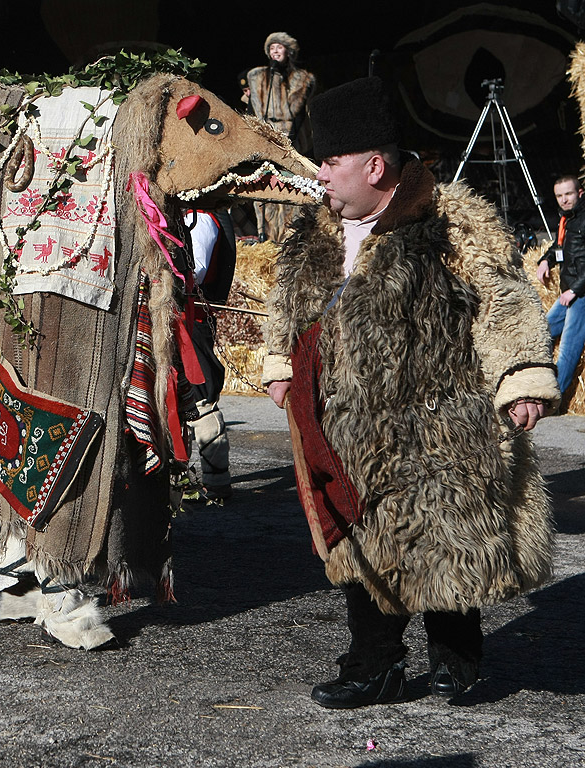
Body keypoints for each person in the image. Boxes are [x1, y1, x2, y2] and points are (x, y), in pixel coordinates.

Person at [262, 76, 559, 709]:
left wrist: (522, 378)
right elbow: (286, 305)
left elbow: (504, 300)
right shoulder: (315, 234)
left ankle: (456, 661)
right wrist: (277, 362)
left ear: (374, 166)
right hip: (347, 430)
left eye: (332, 160)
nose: (321, 172)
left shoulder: (452, 220)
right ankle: (376, 666)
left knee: (447, 540)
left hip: (439, 425)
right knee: (363, 549)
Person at [183, 208, 237, 504]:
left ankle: (217, 482)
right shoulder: (189, 215)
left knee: (200, 398)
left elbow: (195, 271)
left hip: (192, 321)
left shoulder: (201, 218)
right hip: (179, 318)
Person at [246, 32, 316, 242]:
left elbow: (303, 114)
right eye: (272, 48)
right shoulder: (257, 77)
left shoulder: (302, 80)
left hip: (293, 143)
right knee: (265, 189)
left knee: (290, 189)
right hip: (265, 142)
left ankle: (289, 238)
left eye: (280, 47)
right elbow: (252, 112)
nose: (276, 51)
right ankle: (265, 237)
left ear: (289, 51)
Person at [537, 174, 585, 400]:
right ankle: (533, 383)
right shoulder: (566, 219)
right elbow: (559, 248)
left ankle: (551, 399)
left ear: (580, 193)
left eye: (568, 194)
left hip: (581, 294)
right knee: (541, 333)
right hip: (568, 292)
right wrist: (545, 260)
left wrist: (575, 290)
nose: (564, 199)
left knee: (567, 348)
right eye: (559, 196)